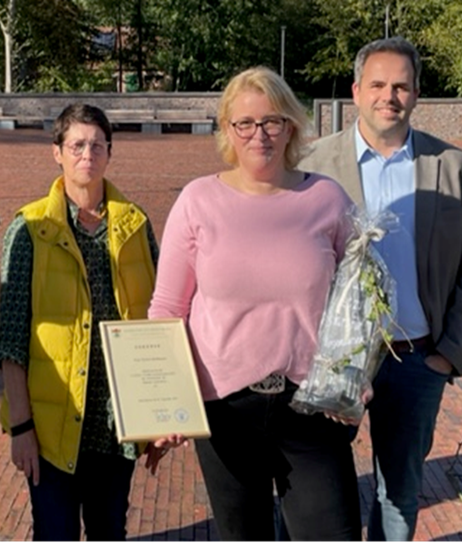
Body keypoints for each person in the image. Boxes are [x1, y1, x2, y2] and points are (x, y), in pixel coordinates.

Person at [148, 67, 361, 542]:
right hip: (225, 410)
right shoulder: (198, 201)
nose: (259, 134)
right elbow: (167, 308)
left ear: (291, 126)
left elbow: (361, 302)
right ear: (227, 130)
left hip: (312, 407)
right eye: (245, 122)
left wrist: (357, 380)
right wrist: (163, 408)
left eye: (271, 121)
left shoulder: (327, 199)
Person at [299, 37, 462, 542]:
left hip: (417, 361)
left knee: (399, 492)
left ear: (417, 93)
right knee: (314, 488)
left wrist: (447, 356)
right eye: (378, 84)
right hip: (333, 360)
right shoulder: (313, 164)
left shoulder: (454, 167)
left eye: (401, 85)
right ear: (357, 91)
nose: (390, 95)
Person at [0, 104, 176, 542]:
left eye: (97, 144)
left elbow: (155, 323)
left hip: (116, 426)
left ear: (110, 152)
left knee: (110, 531)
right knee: (54, 534)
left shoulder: (134, 225)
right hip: (54, 428)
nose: (87, 153)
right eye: (76, 144)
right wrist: (21, 428)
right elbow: (12, 340)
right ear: (56, 152)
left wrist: (158, 417)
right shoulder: (30, 228)